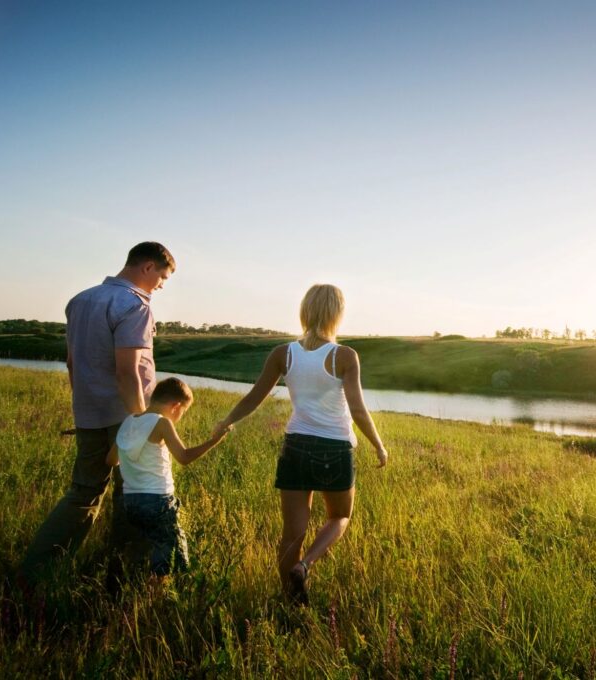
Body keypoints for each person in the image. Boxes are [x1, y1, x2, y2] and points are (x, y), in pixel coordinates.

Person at [217, 283, 388, 604]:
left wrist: (227, 420)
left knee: (291, 533)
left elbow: (255, 396)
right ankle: (305, 565)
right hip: (334, 449)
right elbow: (358, 409)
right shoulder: (344, 356)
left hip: (295, 446)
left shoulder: (283, 353)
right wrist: (378, 444)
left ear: (305, 311)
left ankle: (290, 601)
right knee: (340, 517)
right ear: (337, 314)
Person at [19, 242, 175, 584]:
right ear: (148, 267)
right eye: (162, 277)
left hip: (88, 411)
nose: (161, 286)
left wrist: (83, 406)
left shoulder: (80, 300)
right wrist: (140, 421)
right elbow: (128, 371)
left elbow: (72, 361)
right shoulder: (134, 304)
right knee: (134, 493)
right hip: (126, 416)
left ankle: (37, 570)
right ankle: (123, 576)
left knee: (83, 491)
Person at [106, 378, 230, 577]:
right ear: (176, 406)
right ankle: (157, 600)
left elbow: (111, 460)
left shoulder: (128, 422)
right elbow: (184, 457)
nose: (180, 416)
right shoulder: (162, 423)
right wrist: (214, 441)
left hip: (130, 502)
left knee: (143, 552)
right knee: (171, 559)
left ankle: (136, 591)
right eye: (183, 412)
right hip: (158, 501)